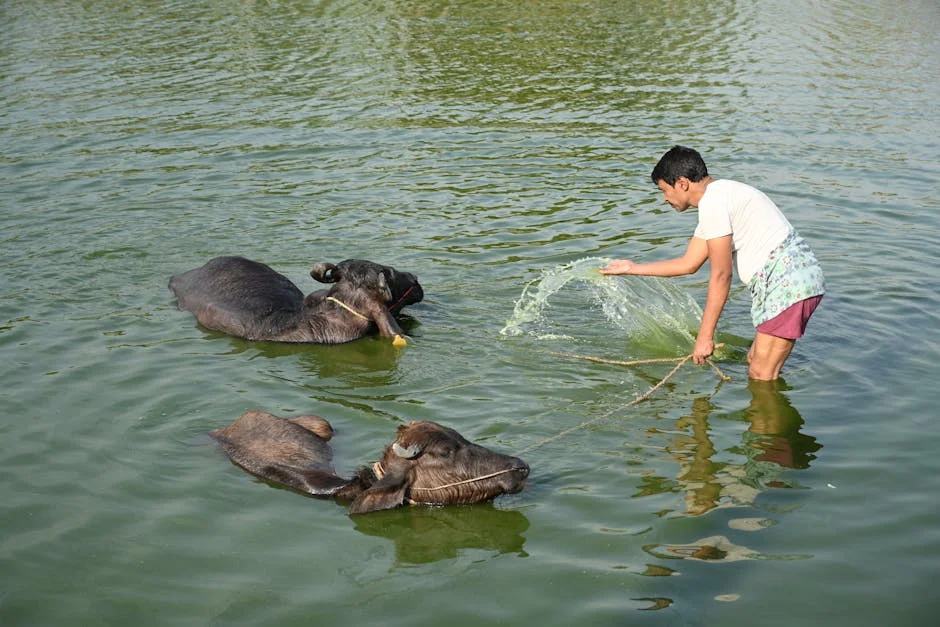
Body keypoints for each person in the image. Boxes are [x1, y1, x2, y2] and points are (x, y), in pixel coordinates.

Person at [601, 146, 825, 380]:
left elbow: (721, 275)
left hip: (787, 285)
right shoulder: (719, 196)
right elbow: (689, 263)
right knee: (754, 361)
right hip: (791, 282)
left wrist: (705, 337)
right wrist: (631, 268)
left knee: (761, 373)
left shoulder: (714, 203)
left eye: (664, 190)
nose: (664, 199)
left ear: (682, 183)